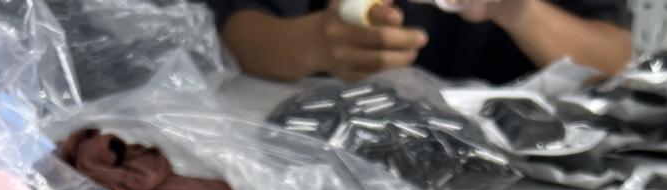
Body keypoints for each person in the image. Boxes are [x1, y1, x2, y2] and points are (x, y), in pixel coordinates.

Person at [206, 0, 632, 85]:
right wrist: (315, 44)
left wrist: (523, 12)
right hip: (324, 151)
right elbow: (240, 29)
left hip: (523, 185)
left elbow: (612, 57)